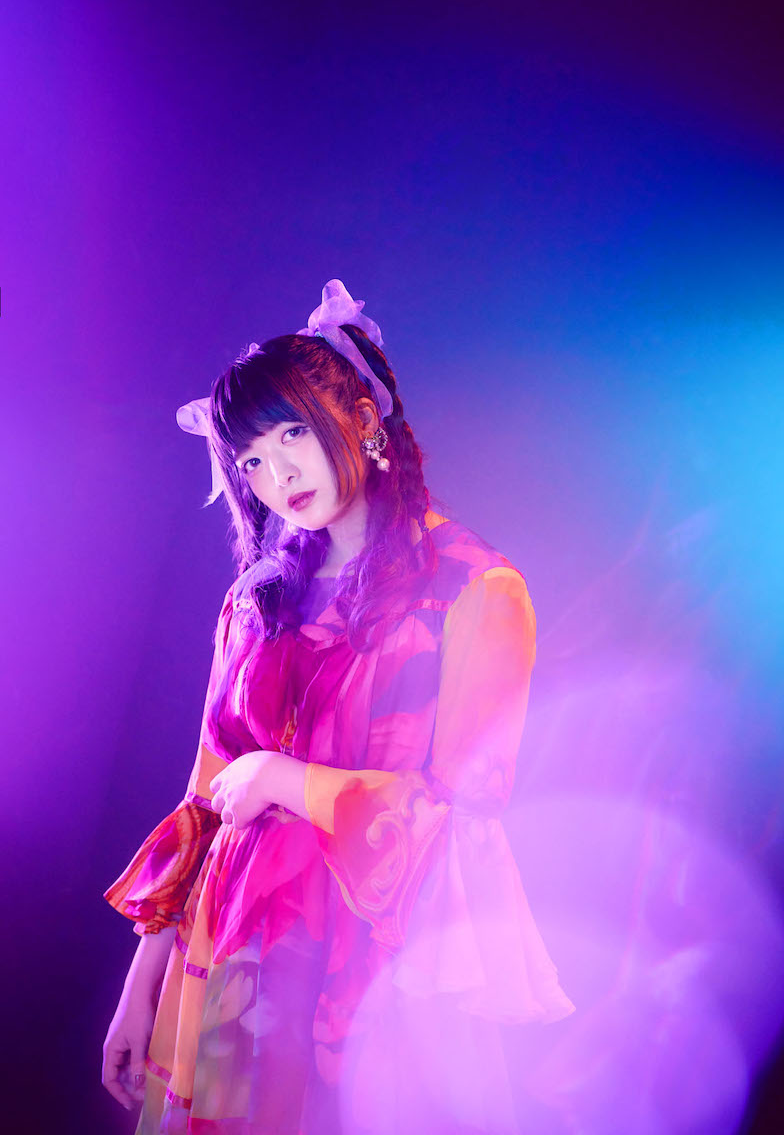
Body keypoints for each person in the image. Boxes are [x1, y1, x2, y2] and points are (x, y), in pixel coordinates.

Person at [101, 279, 574, 1135]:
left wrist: (288, 780)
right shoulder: (255, 601)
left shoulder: (475, 589)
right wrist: (141, 989)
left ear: (361, 418)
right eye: (250, 458)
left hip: (377, 974)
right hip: (235, 953)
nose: (276, 474)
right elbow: (205, 794)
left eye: (293, 434)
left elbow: (462, 831)